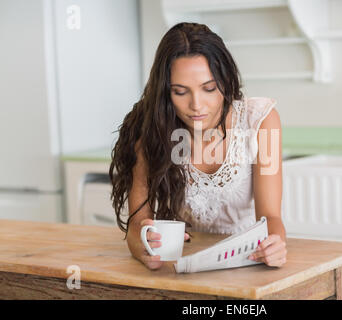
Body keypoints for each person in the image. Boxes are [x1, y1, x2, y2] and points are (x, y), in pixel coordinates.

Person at [109, 22, 287, 271]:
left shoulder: (262, 120)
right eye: (180, 92)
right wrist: (142, 245)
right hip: (185, 265)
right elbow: (138, 222)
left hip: (248, 262)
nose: (197, 105)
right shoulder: (150, 129)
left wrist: (275, 245)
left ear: (225, 80)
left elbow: (272, 218)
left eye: (209, 89)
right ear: (165, 93)